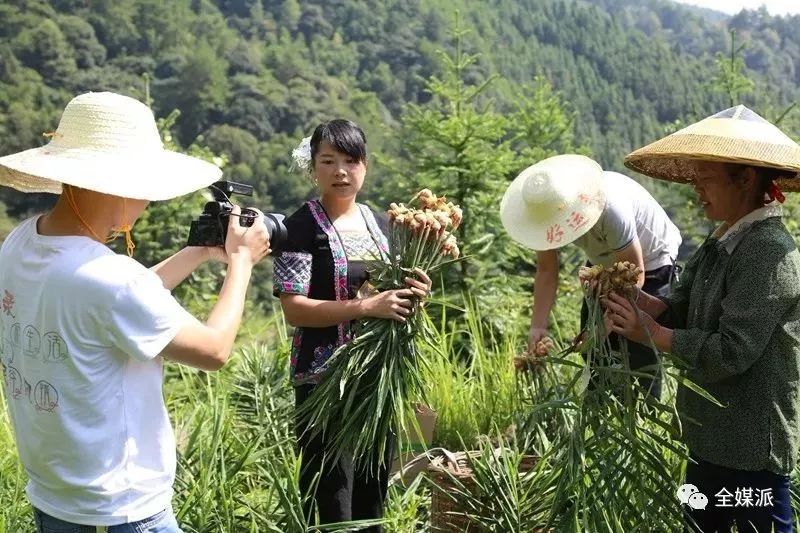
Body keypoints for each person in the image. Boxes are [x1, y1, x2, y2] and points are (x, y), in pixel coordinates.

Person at [0, 92, 271, 532]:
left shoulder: (21, 243)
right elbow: (214, 350)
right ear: (122, 185)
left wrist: (198, 252)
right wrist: (241, 262)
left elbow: (108, 305)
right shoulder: (109, 279)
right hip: (120, 508)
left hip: (55, 498)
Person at [606, 105, 800, 532]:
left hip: (751, 448)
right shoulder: (721, 240)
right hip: (708, 436)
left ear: (746, 179)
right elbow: (681, 308)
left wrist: (653, 334)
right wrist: (633, 298)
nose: (698, 191)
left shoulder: (769, 252)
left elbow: (732, 351)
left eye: (706, 179)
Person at [273, 119, 431, 530]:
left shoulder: (385, 225)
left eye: (350, 160)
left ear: (365, 165)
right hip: (323, 380)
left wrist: (417, 292)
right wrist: (363, 308)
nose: (340, 171)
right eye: (328, 161)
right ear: (313, 167)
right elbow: (294, 309)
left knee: (372, 489)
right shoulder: (299, 229)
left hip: (377, 380)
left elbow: (393, 299)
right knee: (331, 492)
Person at [500, 154, 682, 397]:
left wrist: (608, 318)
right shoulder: (543, 216)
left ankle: (646, 413)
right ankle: (600, 414)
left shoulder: (610, 207)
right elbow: (546, 270)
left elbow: (634, 274)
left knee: (640, 345)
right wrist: (537, 328)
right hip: (603, 261)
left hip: (650, 261)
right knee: (594, 350)